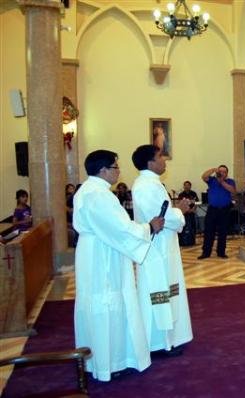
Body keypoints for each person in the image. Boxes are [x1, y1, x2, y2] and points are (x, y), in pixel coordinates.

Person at [73, 150, 165, 381]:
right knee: (108, 303)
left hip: (98, 251)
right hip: (103, 256)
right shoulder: (98, 195)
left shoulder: (89, 190)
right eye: (115, 167)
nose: (118, 171)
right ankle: (110, 363)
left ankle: (104, 360)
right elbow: (121, 228)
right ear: (103, 170)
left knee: (103, 304)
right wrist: (149, 227)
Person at [131, 145, 194, 357]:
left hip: (164, 247)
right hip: (156, 250)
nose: (164, 160)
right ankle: (157, 343)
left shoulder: (152, 184)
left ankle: (169, 338)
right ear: (150, 162)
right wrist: (181, 210)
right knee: (157, 294)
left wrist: (176, 211)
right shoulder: (146, 186)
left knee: (166, 292)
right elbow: (159, 217)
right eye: (160, 157)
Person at [198, 165, 236, 259]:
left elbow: (233, 191)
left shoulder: (230, 181)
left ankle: (221, 252)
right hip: (212, 210)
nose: (222, 173)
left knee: (223, 231)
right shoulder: (212, 180)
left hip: (224, 210)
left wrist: (222, 182)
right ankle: (206, 252)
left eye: (224, 172)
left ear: (227, 173)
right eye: (220, 171)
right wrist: (213, 170)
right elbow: (203, 176)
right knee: (209, 231)